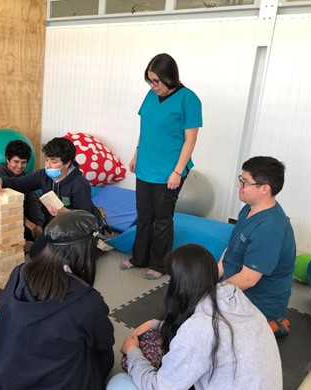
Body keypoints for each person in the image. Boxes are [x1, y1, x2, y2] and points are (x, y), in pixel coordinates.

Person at [108, 244, 282, 390]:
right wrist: (156, 324)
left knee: (121, 385)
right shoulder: (232, 294)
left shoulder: (200, 328)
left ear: (180, 285)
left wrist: (132, 352)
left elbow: (160, 387)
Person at [0, 210, 114, 390]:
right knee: (106, 357)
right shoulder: (87, 302)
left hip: (3, 381)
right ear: (86, 252)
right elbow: (104, 342)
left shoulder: (19, 273)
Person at [120, 53, 202, 280]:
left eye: (156, 81)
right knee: (144, 215)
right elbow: (146, 128)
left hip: (169, 171)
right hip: (146, 164)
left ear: (170, 77)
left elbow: (190, 139)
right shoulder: (150, 95)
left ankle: (159, 264)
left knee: (162, 219)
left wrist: (177, 171)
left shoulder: (189, 99)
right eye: (149, 81)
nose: (152, 86)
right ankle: (139, 258)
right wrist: (136, 154)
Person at [218, 156, 296, 337]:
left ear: (264, 189)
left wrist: (213, 293)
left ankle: (269, 325)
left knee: (205, 326)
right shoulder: (248, 209)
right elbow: (230, 250)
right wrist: (210, 277)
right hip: (233, 285)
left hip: (257, 300)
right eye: (240, 179)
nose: (239, 185)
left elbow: (248, 279)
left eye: (244, 182)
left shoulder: (270, 228)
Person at [0, 140, 45, 242]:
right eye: (16, 162)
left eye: (23, 162)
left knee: (46, 222)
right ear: (8, 159)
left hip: (23, 214)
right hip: (6, 217)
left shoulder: (25, 176)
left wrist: (39, 224)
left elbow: (32, 201)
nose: (20, 166)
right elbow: (2, 209)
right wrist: (26, 222)